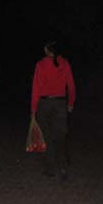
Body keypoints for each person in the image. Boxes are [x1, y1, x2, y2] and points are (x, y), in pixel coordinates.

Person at [30, 39, 76, 180]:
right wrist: (70, 103)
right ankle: (62, 167)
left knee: (47, 136)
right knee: (60, 135)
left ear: (48, 50)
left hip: (44, 103)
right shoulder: (65, 63)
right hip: (60, 103)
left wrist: (33, 109)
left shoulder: (41, 64)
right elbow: (71, 86)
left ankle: (50, 168)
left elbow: (36, 89)